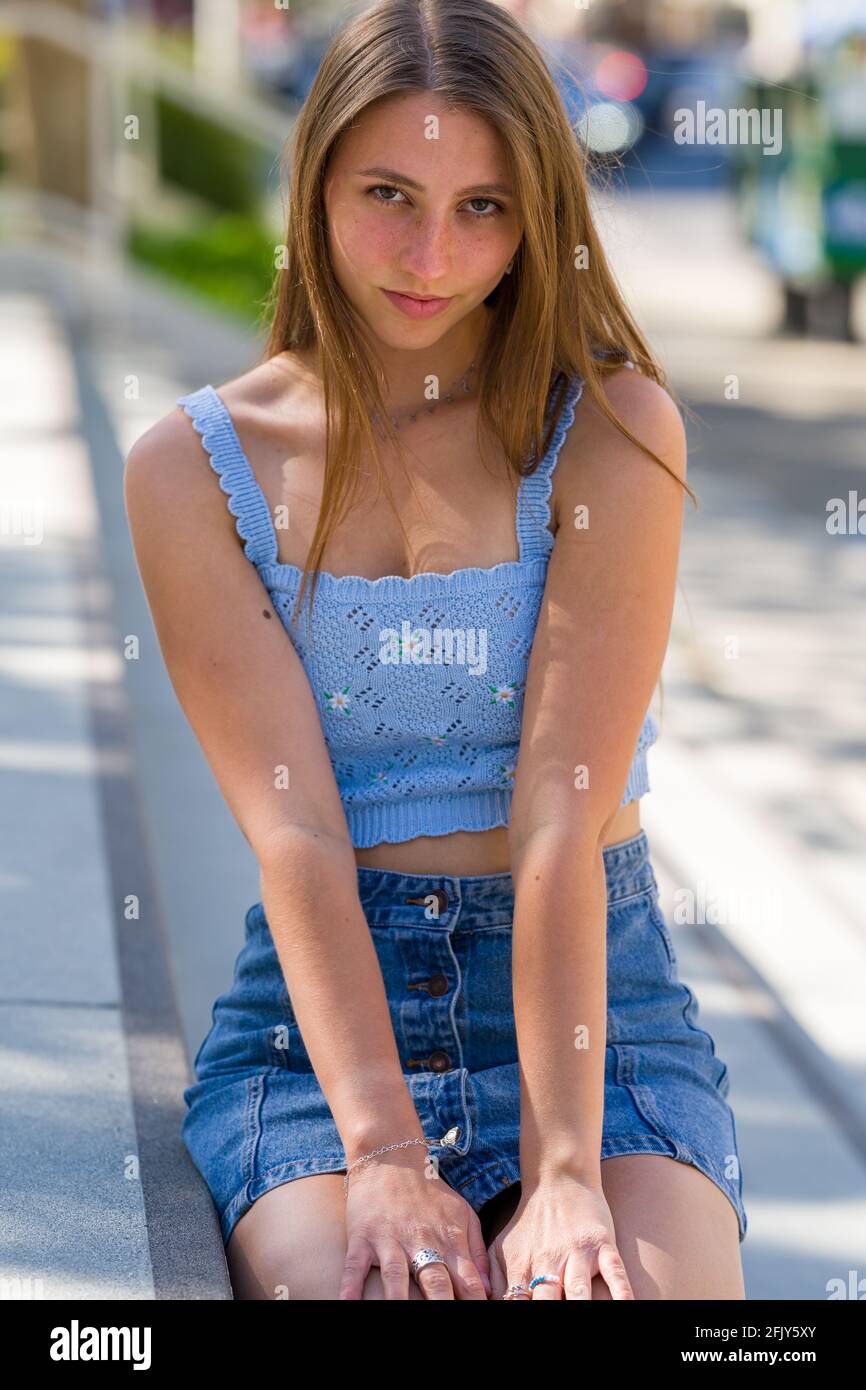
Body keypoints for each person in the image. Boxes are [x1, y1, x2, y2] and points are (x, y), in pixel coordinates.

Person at [124, 0, 747, 1300]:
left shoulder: (611, 428)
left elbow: (557, 813)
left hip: (596, 1013)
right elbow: (293, 834)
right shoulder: (193, 468)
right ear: (316, 185)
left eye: (484, 207)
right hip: (326, 1033)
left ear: (538, 221)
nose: (430, 254)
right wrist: (385, 1152)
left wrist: (564, 1162)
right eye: (389, 195)